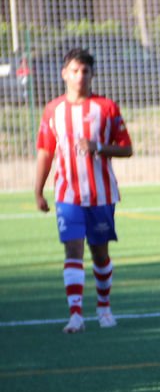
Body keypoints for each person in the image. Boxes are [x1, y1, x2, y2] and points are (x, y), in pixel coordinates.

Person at [34, 47, 133, 333]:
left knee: (100, 254)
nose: (80, 76)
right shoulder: (53, 110)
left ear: (92, 74)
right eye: (74, 71)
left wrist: (98, 148)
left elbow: (127, 149)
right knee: (73, 250)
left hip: (101, 194)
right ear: (64, 74)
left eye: (85, 71)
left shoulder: (106, 108)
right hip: (67, 195)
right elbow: (45, 151)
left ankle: (104, 309)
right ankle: (76, 315)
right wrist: (38, 190)